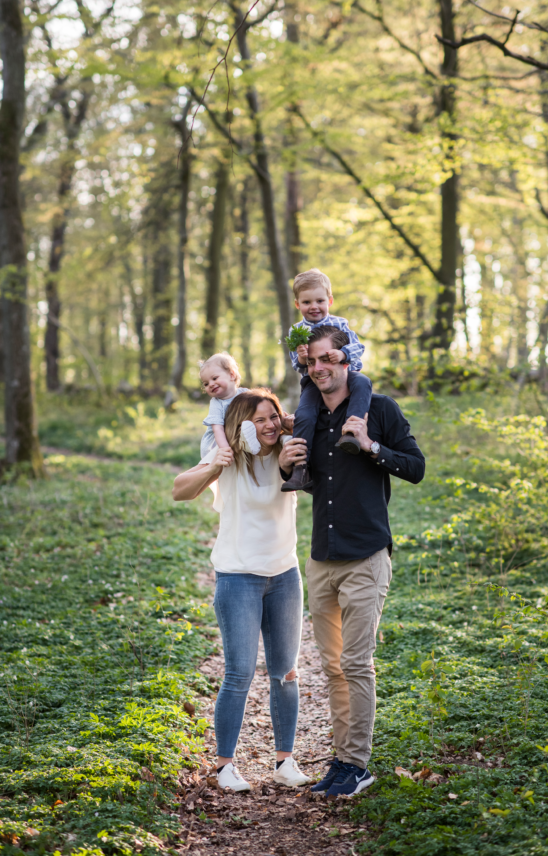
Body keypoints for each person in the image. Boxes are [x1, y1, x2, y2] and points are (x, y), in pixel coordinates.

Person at [280, 325, 426, 798]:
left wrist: (371, 447)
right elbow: (296, 478)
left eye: (329, 359)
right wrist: (286, 464)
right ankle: (341, 761)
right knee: (333, 667)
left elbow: (416, 467)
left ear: (347, 362)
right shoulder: (308, 419)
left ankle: (357, 765)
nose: (320, 368)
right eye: (312, 362)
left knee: (357, 663)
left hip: (366, 555)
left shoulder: (377, 408)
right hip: (322, 559)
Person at [173, 389, 310, 792]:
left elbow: (312, 442)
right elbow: (180, 489)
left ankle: (285, 761)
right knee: (239, 673)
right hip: (238, 578)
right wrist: (213, 464)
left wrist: (289, 438)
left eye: (273, 417)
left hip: (284, 574)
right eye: (258, 420)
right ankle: (224, 766)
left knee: (286, 672)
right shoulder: (229, 458)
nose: (268, 425)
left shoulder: (288, 450)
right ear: (242, 426)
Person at [281, 268, 372, 493]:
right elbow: (297, 365)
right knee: (305, 414)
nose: (314, 306)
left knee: (363, 382)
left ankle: (351, 433)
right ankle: (301, 468)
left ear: (329, 300)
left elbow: (358, 347)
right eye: (306, 302)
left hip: (345, 373)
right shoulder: (296, 332)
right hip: (313, 381)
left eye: (320, 300)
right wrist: (302, 357)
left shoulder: (340, 324)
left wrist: (343, 354)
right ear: (297, 304)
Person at [199, 353, 256, 459]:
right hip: (219, 443)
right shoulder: (216, 403)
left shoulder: (246, 394)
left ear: (231, 375)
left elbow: (264, 407)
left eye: (215, 378)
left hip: (239, 436)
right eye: (206, 384)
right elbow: (218, 429)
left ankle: (253, 446)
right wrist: (225, 450)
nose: (210, 384)